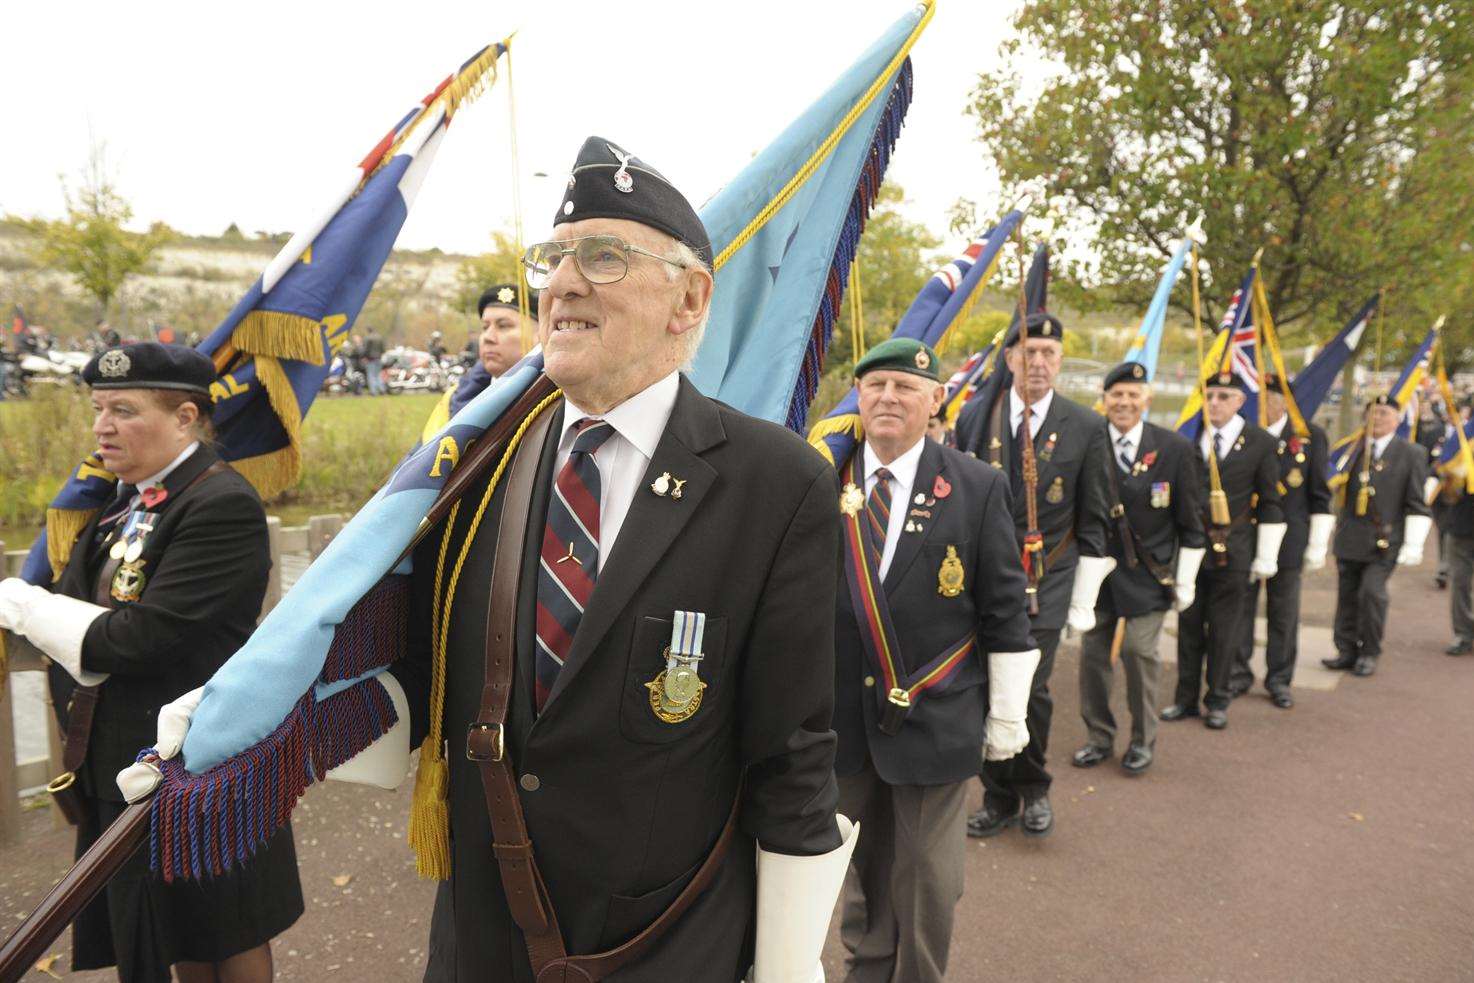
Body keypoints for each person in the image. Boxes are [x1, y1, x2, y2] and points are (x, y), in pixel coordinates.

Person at [128, 137, 855, 981]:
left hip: (666, 947)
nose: (563, 284)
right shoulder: (475, 464)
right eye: (553, 258)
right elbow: (414, 667)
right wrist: (232, 714)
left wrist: (787, 965)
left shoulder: (776, 483)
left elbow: (792, 753)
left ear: (689, 299)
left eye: (605, 256)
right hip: (483, 939)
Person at [0, 342, 303, 983]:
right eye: (98, 408)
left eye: (124, 410)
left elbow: (136, 637)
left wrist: (22, 606)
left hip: (204, 758)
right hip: (124, 758)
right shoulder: (122, 503)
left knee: (227, 925)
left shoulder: (220, 504)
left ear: (186, 417)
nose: (101, 426)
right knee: (172, 928)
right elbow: (86, 609)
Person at [831, 337, 1037, 982]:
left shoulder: (976, 486)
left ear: (935, 399)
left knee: (927, 877)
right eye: (876, 387)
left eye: (906, 388)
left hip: (936, 711)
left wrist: (1007, 716)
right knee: (858, 868)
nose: (889, 398)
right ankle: (867, 969)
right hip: (841, 712)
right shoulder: (821, 477)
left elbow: (1005, 607)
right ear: (859, 396)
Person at [955, 313, 1114, 839]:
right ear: (1010, 361)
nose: (1038, 363)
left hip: (1050, 577)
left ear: (1061, 360)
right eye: (1029, 353)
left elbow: (1094, 515)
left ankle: (1034, 789)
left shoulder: (1087, 426)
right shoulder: (978, 415)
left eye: (1048, 353)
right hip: (986, 577)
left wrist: (1084, 597)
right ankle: (999, 796)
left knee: (1031, 686)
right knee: (989, 683)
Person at [1073, 361, 1204, 775]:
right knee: (1093, 656)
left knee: (1138, 652)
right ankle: (1098, 736)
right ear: (1104, 399)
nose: (1124, 402)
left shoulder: (1174, 448)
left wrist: (1185, 579)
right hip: (1098, 575)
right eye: (1117, 395)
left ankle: (1143, 741)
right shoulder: (1086, 442)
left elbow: (1191, 520)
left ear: (1146, 400)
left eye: (1133, 395)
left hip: (1149, 575)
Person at [1161, 371, 1285, 730]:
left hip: (1235, 547)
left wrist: (1267, 554)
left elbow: (1271, 501)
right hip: (1190, 548)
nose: (1214, 403)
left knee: (1224, 628)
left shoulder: (1259, 442)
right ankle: (1185, 699)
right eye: (1209, 395)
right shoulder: (1187, 435)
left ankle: (1217, 699)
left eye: (1222, 396)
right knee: (1188, 624)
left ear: (1239, 401)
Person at [1228, 374, 1333, 708]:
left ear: (1285, 402)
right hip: (1247, 535)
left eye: (1272, 398)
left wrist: (1317, 543)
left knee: (1283, 613)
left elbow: (1319, 493)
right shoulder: (1243, 434)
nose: (1266, 405)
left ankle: (1279, 679)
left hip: (1289, 539)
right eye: (1261, 398)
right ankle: (1237, 673)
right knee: (1240, 608)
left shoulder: (1309, 436)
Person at [1322, 395, 1433, 676]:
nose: (1377, 419)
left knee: (1372, 594)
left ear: (1397, 420)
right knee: (1347, 596)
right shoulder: (1351, 450)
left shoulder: (1411, 453)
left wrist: (1413, 543)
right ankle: (1345, 649)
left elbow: (1417, 501)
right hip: (1350, 537)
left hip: (1383, 540)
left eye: (1384, 413)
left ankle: (1369, 651)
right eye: (1372, 413)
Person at [361, 326, 387, 395]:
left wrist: (363, 357)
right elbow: (383, 349)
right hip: (379, 358)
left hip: (370, 359)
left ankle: (373, 391)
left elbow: (365, 349)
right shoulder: (380, 338)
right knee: (378, 375)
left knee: (371, 375)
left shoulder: (367, 338)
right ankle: (382, 389)